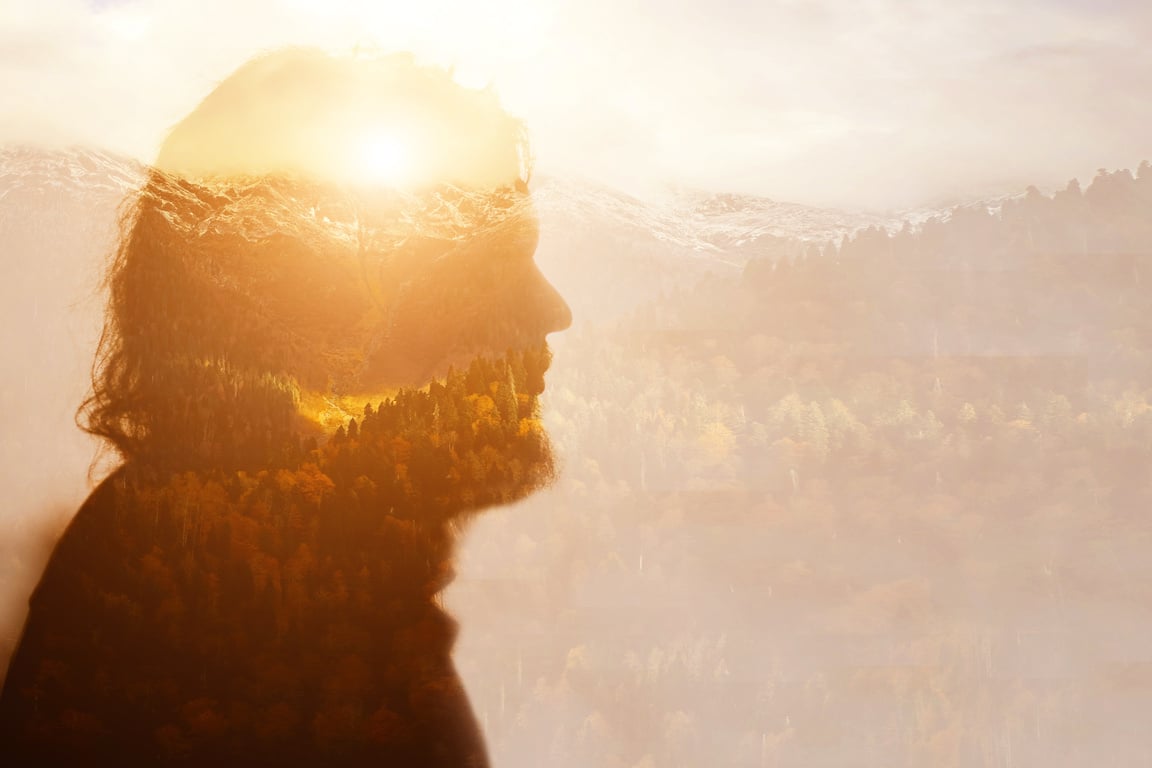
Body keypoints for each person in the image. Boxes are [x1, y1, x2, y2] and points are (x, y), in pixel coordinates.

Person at [0, 48, 570, 766]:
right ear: (341, 316)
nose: (555, 310)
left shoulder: (213, 561)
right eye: (501, 270)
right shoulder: (265, 620)